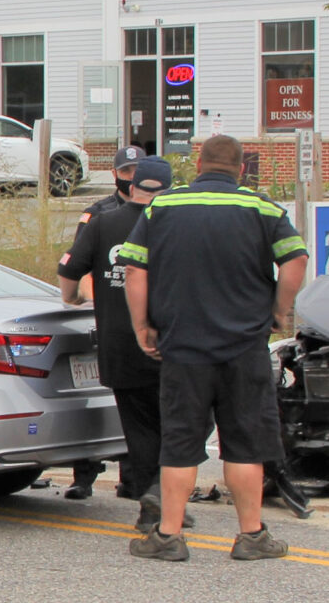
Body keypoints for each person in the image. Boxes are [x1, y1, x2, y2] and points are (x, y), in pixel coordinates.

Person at [119, 134, 309, 562]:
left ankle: (167, 536)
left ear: (197, 165)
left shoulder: (163, 206)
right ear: (242, 169)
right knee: (245, 442)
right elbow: (296, 259)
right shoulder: (261, 207)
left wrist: (142, 325)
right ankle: (252, 536)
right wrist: (279, 310)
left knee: (181, 442)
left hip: (183, 347)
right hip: (245, 348)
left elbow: (135, 270)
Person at [57, 155, 174, 529]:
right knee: (181, 424)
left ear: (132, 183)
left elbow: (69, 270)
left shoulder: (104, 222)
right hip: (174, 342)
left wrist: (73, 298)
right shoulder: (177, 223)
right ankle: (165, 493)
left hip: (120, 343)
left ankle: (150, 498)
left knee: (139, 429)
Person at [51, 149, 146, 499]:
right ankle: (84, 475)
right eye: (127, 169)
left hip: (142, 318)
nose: (132, 175)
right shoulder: (99, 214)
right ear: (115, 173)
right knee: (94, 397)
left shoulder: (158, 214)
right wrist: (89, 302)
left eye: (138, 169)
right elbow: (81, 263)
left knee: (134, 406)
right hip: (108, 312)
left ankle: (134, 479)